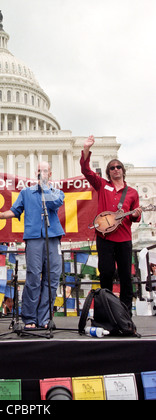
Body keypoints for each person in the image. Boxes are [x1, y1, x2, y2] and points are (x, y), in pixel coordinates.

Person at [0, 162, 64, 329]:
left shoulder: (57, 192)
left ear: (50, 173)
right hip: (34, 238)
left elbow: (54, 204)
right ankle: (30, 318)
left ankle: (45, 318)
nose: (43, 173)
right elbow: (15, 210)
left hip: (53, 237)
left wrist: (45, 187)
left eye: (46, 170)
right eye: (40, 171)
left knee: (52, 278)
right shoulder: (26, 192)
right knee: (33, 277)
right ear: (36, 173)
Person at [80, 135, 142, 315]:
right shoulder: (102, 185)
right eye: (112, 168)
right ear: (108, 172)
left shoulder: (132, 193)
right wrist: (86, 149)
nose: (115, 169)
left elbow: (135, 218)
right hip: (104, 237)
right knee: (106, 273)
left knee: (126, 277)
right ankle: (105, 311)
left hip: (124, 238)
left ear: (123, 170)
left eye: (118, 167)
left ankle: (125, 314)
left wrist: (137, 214)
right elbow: (86, 170)